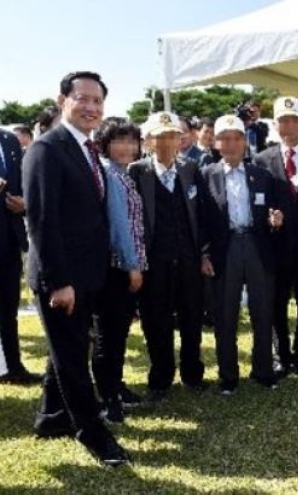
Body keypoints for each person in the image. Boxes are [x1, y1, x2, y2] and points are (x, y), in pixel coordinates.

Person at [24, 71, 129, 466]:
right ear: (62, 100)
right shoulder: (47, 149)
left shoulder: (87, 149)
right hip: (62, 278)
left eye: (98, 101)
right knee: (71, 358)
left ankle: (51, 417)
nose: (91, 107)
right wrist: (59, 282)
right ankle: (93, 433)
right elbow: (42, 221)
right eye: (82, 99)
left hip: (88, 274)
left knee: (65, 349)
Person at [202, 115, 284, 394]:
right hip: (224, 250)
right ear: (216, 142)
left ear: (244, 142)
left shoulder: (261, 175)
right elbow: (199, 221)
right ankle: (228, 376)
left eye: (236, 137)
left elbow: (272, 211)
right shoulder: (206, 175)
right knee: (226, 315)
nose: (231, 143)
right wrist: (204, 255)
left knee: (262, 311)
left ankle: (263, 370)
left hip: (256, 246)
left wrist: (275, 221)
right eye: (224, 137)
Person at [129, 111, 207, 402]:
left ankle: (192, 373)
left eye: (172, 135)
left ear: (181, 139)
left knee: (191, 318)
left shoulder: (191, 169)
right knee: (156, 320)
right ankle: (161, 376)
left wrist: (204, 253)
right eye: (159, 136)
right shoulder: (137, 172)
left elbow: (202, 215)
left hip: (188, 259)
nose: (166, 142)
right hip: (154, 262)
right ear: (148, 141)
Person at [254, 96, 298, 379]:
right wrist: (269, 218)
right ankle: (281, 356)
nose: (289, 125)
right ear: (275, 124)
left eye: (294, 119)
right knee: (276, 304)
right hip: (276, 246)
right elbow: (257, 202)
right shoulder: (262, 159)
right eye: (283, 120)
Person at [91, 118, 147, 424]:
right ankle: (108, 399)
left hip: (126, 265)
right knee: (107, 337)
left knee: (119, 333)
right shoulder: (110, 175)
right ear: (104, 144)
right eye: (119, 141)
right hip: (116, 268)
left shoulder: (123, 174)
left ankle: (116, 386)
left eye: (131, 141)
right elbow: (119, 227)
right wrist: (132, 265)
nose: (126, 147)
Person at [0, 128, 40, 384]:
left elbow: (22, 183)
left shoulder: (9, 139)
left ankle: (13, 366)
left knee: (7, 306)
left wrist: (25, 203)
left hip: (9, 237)